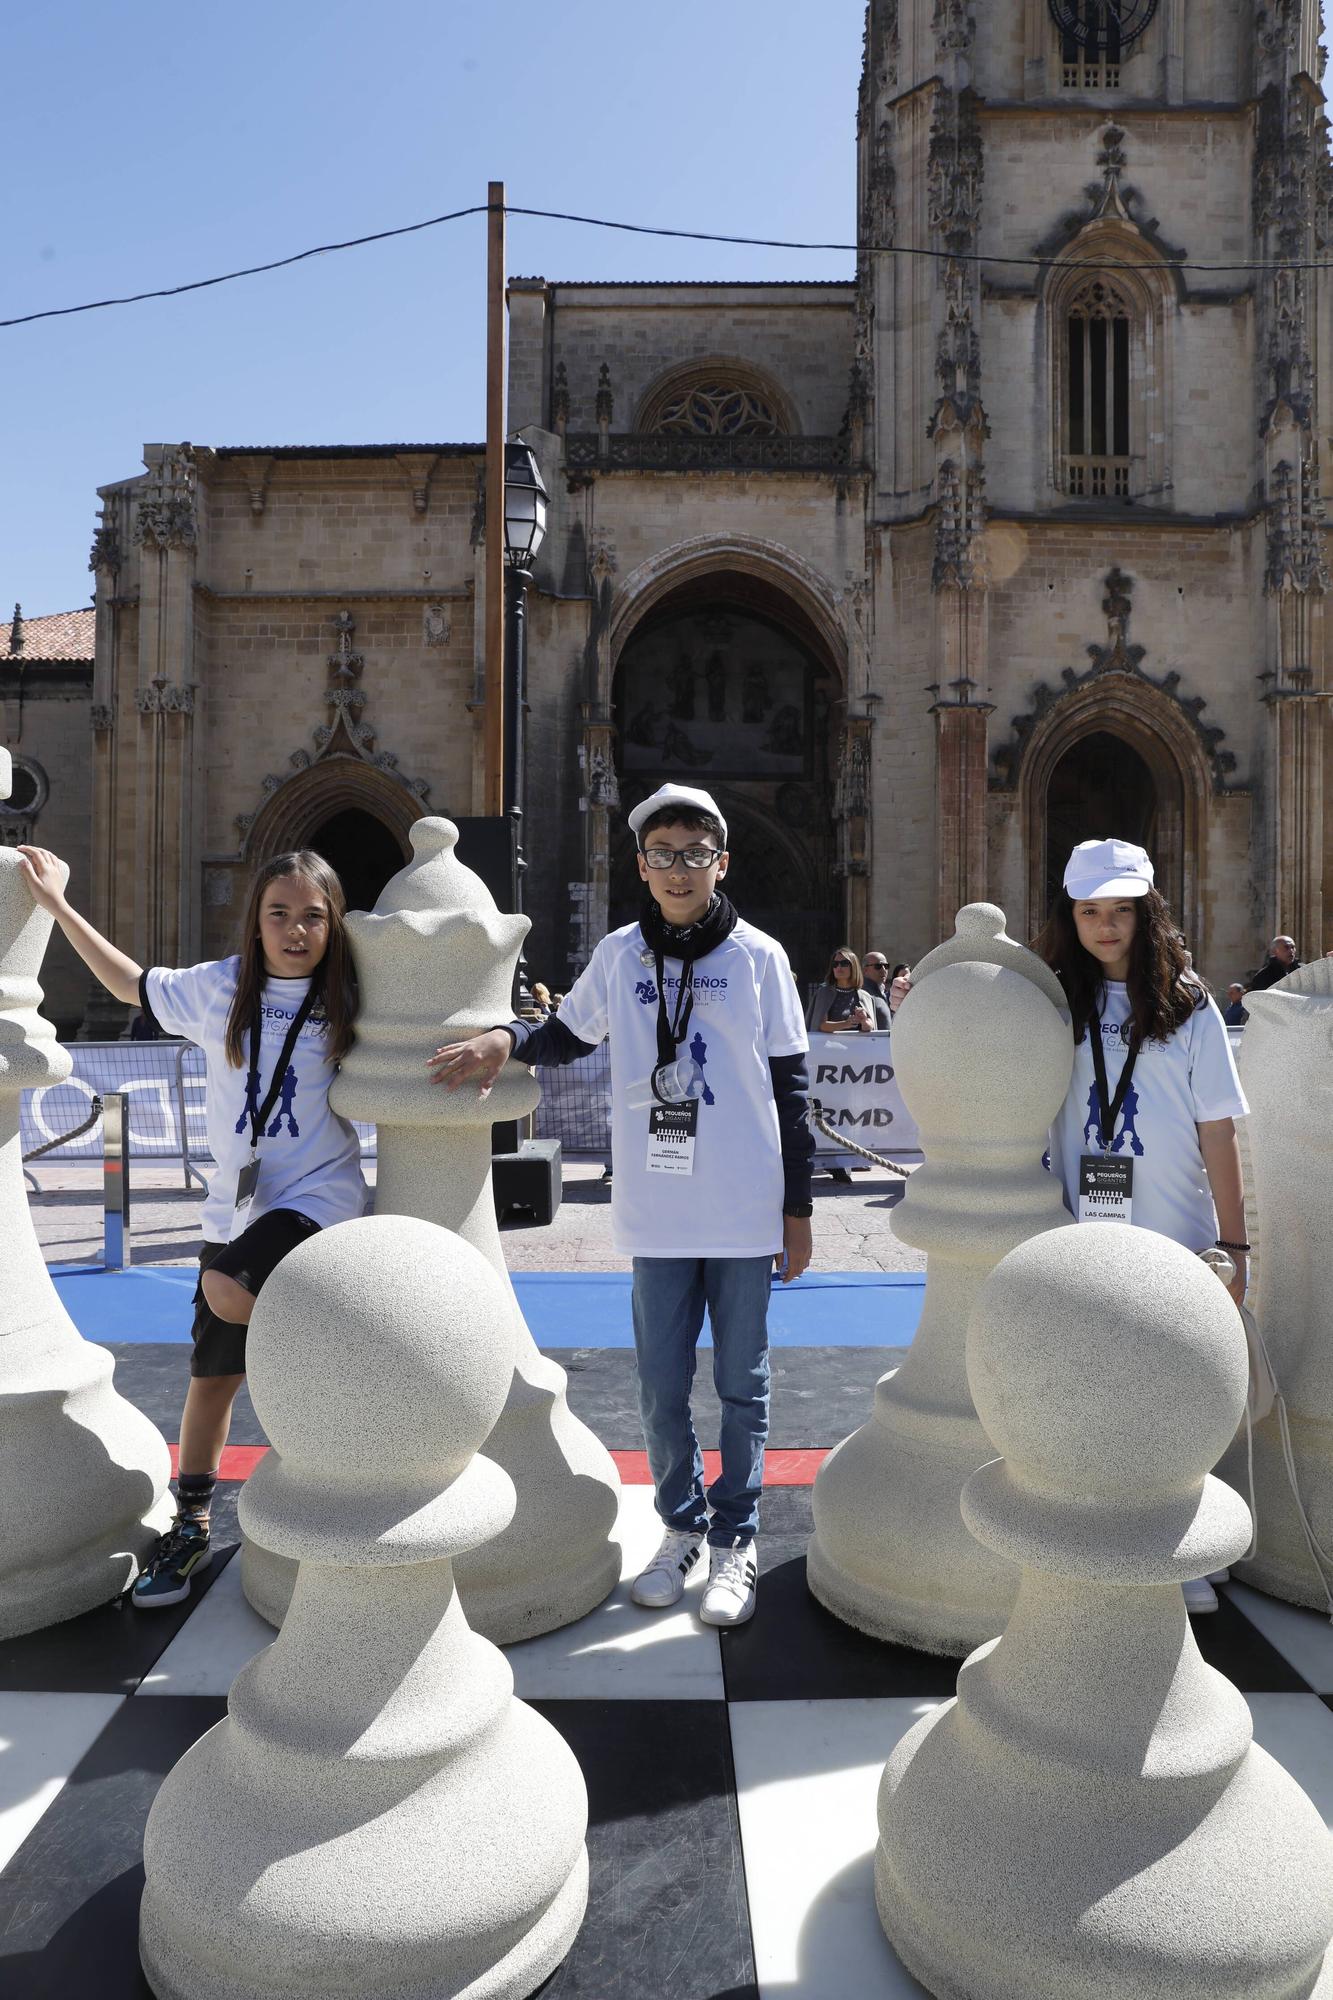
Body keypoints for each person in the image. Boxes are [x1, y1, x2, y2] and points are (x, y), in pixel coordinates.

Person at [426, 782, 813, 1631]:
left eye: (695, 854)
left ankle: (736, 1540)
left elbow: (792, 1086)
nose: (679, 870)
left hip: (745, 1207)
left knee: (742, 1387)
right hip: (659, 1208)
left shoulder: (758, 957)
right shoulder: (620, 956)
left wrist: (798, 1208)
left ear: (721, 862)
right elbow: (567, 1033)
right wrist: (505, 1038)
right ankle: (680, 1528)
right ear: (641, 865)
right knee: (660, 1388)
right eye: (663, 855)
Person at [17, 844, 366, 1608]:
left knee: (225, 1288)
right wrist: (57, 907)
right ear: (257, 921)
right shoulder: (222, 989)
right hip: (234, 1207)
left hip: (317, 1197)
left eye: (313, 915)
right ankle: (193, 1521)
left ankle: (327, 1442)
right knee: (211, 1380)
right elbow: (130, 982)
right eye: (279, 913)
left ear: (334, 922)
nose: (295, 930)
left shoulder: (349, 994)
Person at [1036, 837, 1249, 1617]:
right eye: (1089, 912)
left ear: (1144, 912)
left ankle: (1176, 1543)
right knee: (1096, 1389)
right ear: (1071, 917)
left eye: (1119, 911)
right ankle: (1108, 1532)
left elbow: (1218, 1129)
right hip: (1081, 1233)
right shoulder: (1055, 1000)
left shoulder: (1187, 1002)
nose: (1104, 926)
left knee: (1171, 1390)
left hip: (1174, 1230)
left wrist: (1234, 1243)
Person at [807, 948, 882, 1033]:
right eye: (835, 964)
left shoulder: (865, 996)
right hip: (828, 1045)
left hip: (858, 1045)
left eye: (844, 963)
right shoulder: (824, 993)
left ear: (853, 967)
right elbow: (820, 1025)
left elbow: (870, 1028)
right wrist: (845, 1024)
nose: (839, 967)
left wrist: (864, 1020)